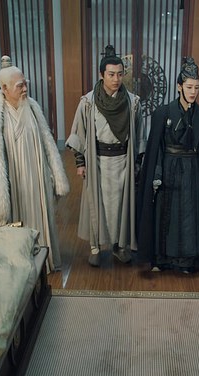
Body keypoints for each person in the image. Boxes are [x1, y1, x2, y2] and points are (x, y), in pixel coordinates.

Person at [0, 55, 70, 271]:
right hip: (12, 181)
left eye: (25, 84)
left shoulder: (32, 108)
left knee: (39, 218)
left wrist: (53, 175)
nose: (25, 89)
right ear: (4, 88)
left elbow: (46, 143)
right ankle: (19, 266)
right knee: (15, 224)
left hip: (36, 179)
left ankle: (43, 262)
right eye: (19, 86)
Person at [136, 57, 199, 273]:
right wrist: (157, 175)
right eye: (189, 87)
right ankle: (163, 259)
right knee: (167, 215)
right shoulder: (162, 113)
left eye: (196, 87)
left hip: (193, 171)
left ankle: (188, 260)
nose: (193, 92)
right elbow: (156, 149)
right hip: (169, 169)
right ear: (179, 86)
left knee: (191, 216)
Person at [66, 45, 145, 267]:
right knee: (96, 204)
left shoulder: (133, 102)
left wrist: (137, 163)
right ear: (101, 75)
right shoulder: (88, 102)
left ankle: (120, 247)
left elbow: (139, 135)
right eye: (111, 74)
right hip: (97, 161)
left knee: (121, 207)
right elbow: (79, 133)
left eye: (120, 74)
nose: (116, 79)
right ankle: (95, 246)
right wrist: (80, 163)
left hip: (123, 161)